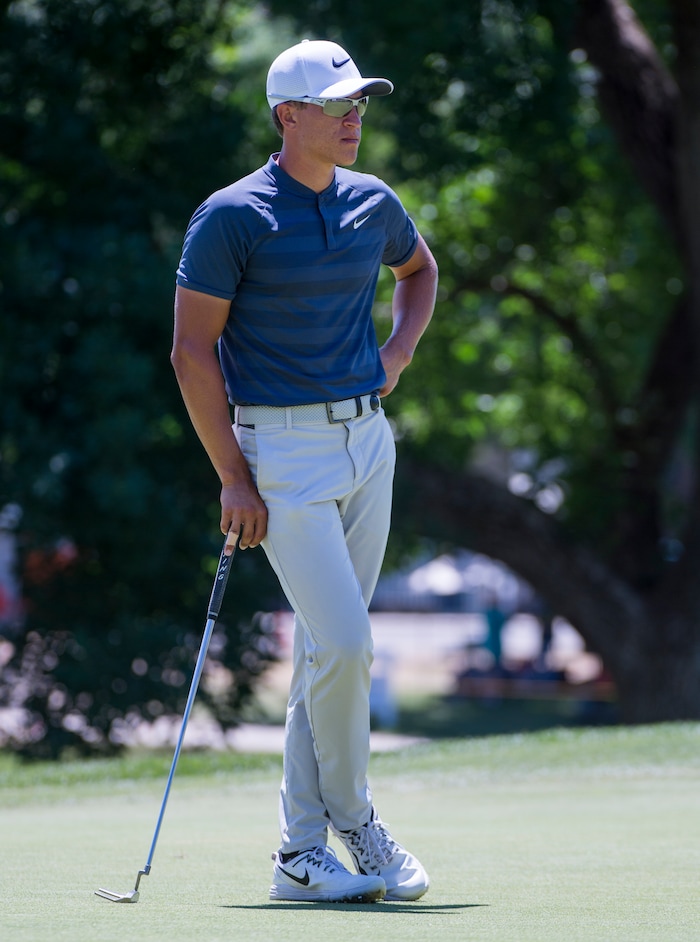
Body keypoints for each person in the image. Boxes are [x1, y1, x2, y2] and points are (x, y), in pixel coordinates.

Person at [171, 38, 438, 904]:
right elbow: (189, 353)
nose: (354, 116)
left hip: (368, 443)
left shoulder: (372, 201)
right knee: (349, 645)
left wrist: (397, 353)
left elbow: (420, 270)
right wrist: (233, 477)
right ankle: (354, 823)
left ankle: (299, 853)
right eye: (337, 105)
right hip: (279, 455)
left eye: (360, 102)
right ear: (289, 116)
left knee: (331, 651)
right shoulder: (233, 215)